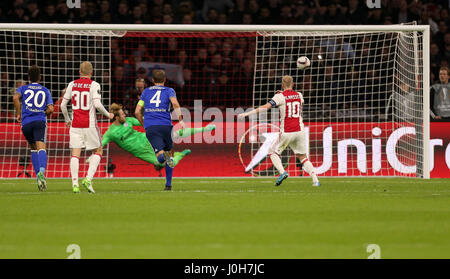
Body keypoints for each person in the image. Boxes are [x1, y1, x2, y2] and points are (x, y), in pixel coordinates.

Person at [238, 75, 320, 187]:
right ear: (293, 84)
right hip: (300, 131)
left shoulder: (279, 97)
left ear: (282, 84)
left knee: (272, 152)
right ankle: (315, 180)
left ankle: (282, 172)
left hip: (287, 131)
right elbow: (293, 100)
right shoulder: (299, 95)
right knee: (303, 156)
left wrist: (247, 113)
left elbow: (266, 107)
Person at [102, 103, 214, 171]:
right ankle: (180, 155)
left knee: (173, 134)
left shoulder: (129, 121)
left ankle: (204, 129)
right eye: (122, 114)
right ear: (116, 117)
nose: (124, 115)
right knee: (167, 164)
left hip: (147, 139)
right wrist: (93, 156)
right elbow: (100, 144)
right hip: (141, 152)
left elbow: (144, 122)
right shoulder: (110, 133)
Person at [60, 61, 114, 193]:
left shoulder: (72, 84)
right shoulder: (94, 84)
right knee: (98, 151)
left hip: (75, 124)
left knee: (75, 154)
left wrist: (68, 120)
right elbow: (97, 105)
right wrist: (108, 115)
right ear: (92, 73)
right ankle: (88, 179)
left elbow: (62, 105)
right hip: (89, 124)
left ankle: (75, 184)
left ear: (79, 72)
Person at [135, 69, 184, 191]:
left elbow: (137, 111)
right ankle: (168, 185)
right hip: (166, 126)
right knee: (169, 154)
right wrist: (181, 120)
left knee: (160, 157)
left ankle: (165, 158)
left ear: (152, 80)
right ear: (165, 80)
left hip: (152, 126)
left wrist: (144, 124)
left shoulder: (146, 92)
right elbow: (175, 104)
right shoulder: (169, 90)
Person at [13, 65, 54, 191]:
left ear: (29, 77)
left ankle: (38, 178)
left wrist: (19, 113)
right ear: (40, 77)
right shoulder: (45, 90)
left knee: (33, 148)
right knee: (41, 147)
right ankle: (41, 172)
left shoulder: (23, 88)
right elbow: (51, 108)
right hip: (39, 121)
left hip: (26, 124)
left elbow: (15, 97)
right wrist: (44, 112)